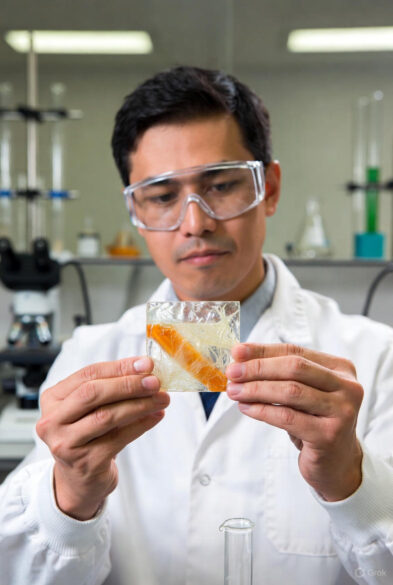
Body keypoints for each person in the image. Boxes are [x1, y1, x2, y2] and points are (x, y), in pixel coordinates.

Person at [0, 66, 392, 585]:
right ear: (136, 213)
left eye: (222, 185)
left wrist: (350, 479)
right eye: (162, 196)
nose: (195, 221)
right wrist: (68, 495)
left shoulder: (376, 357)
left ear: (268, 188)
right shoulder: (88, 357)